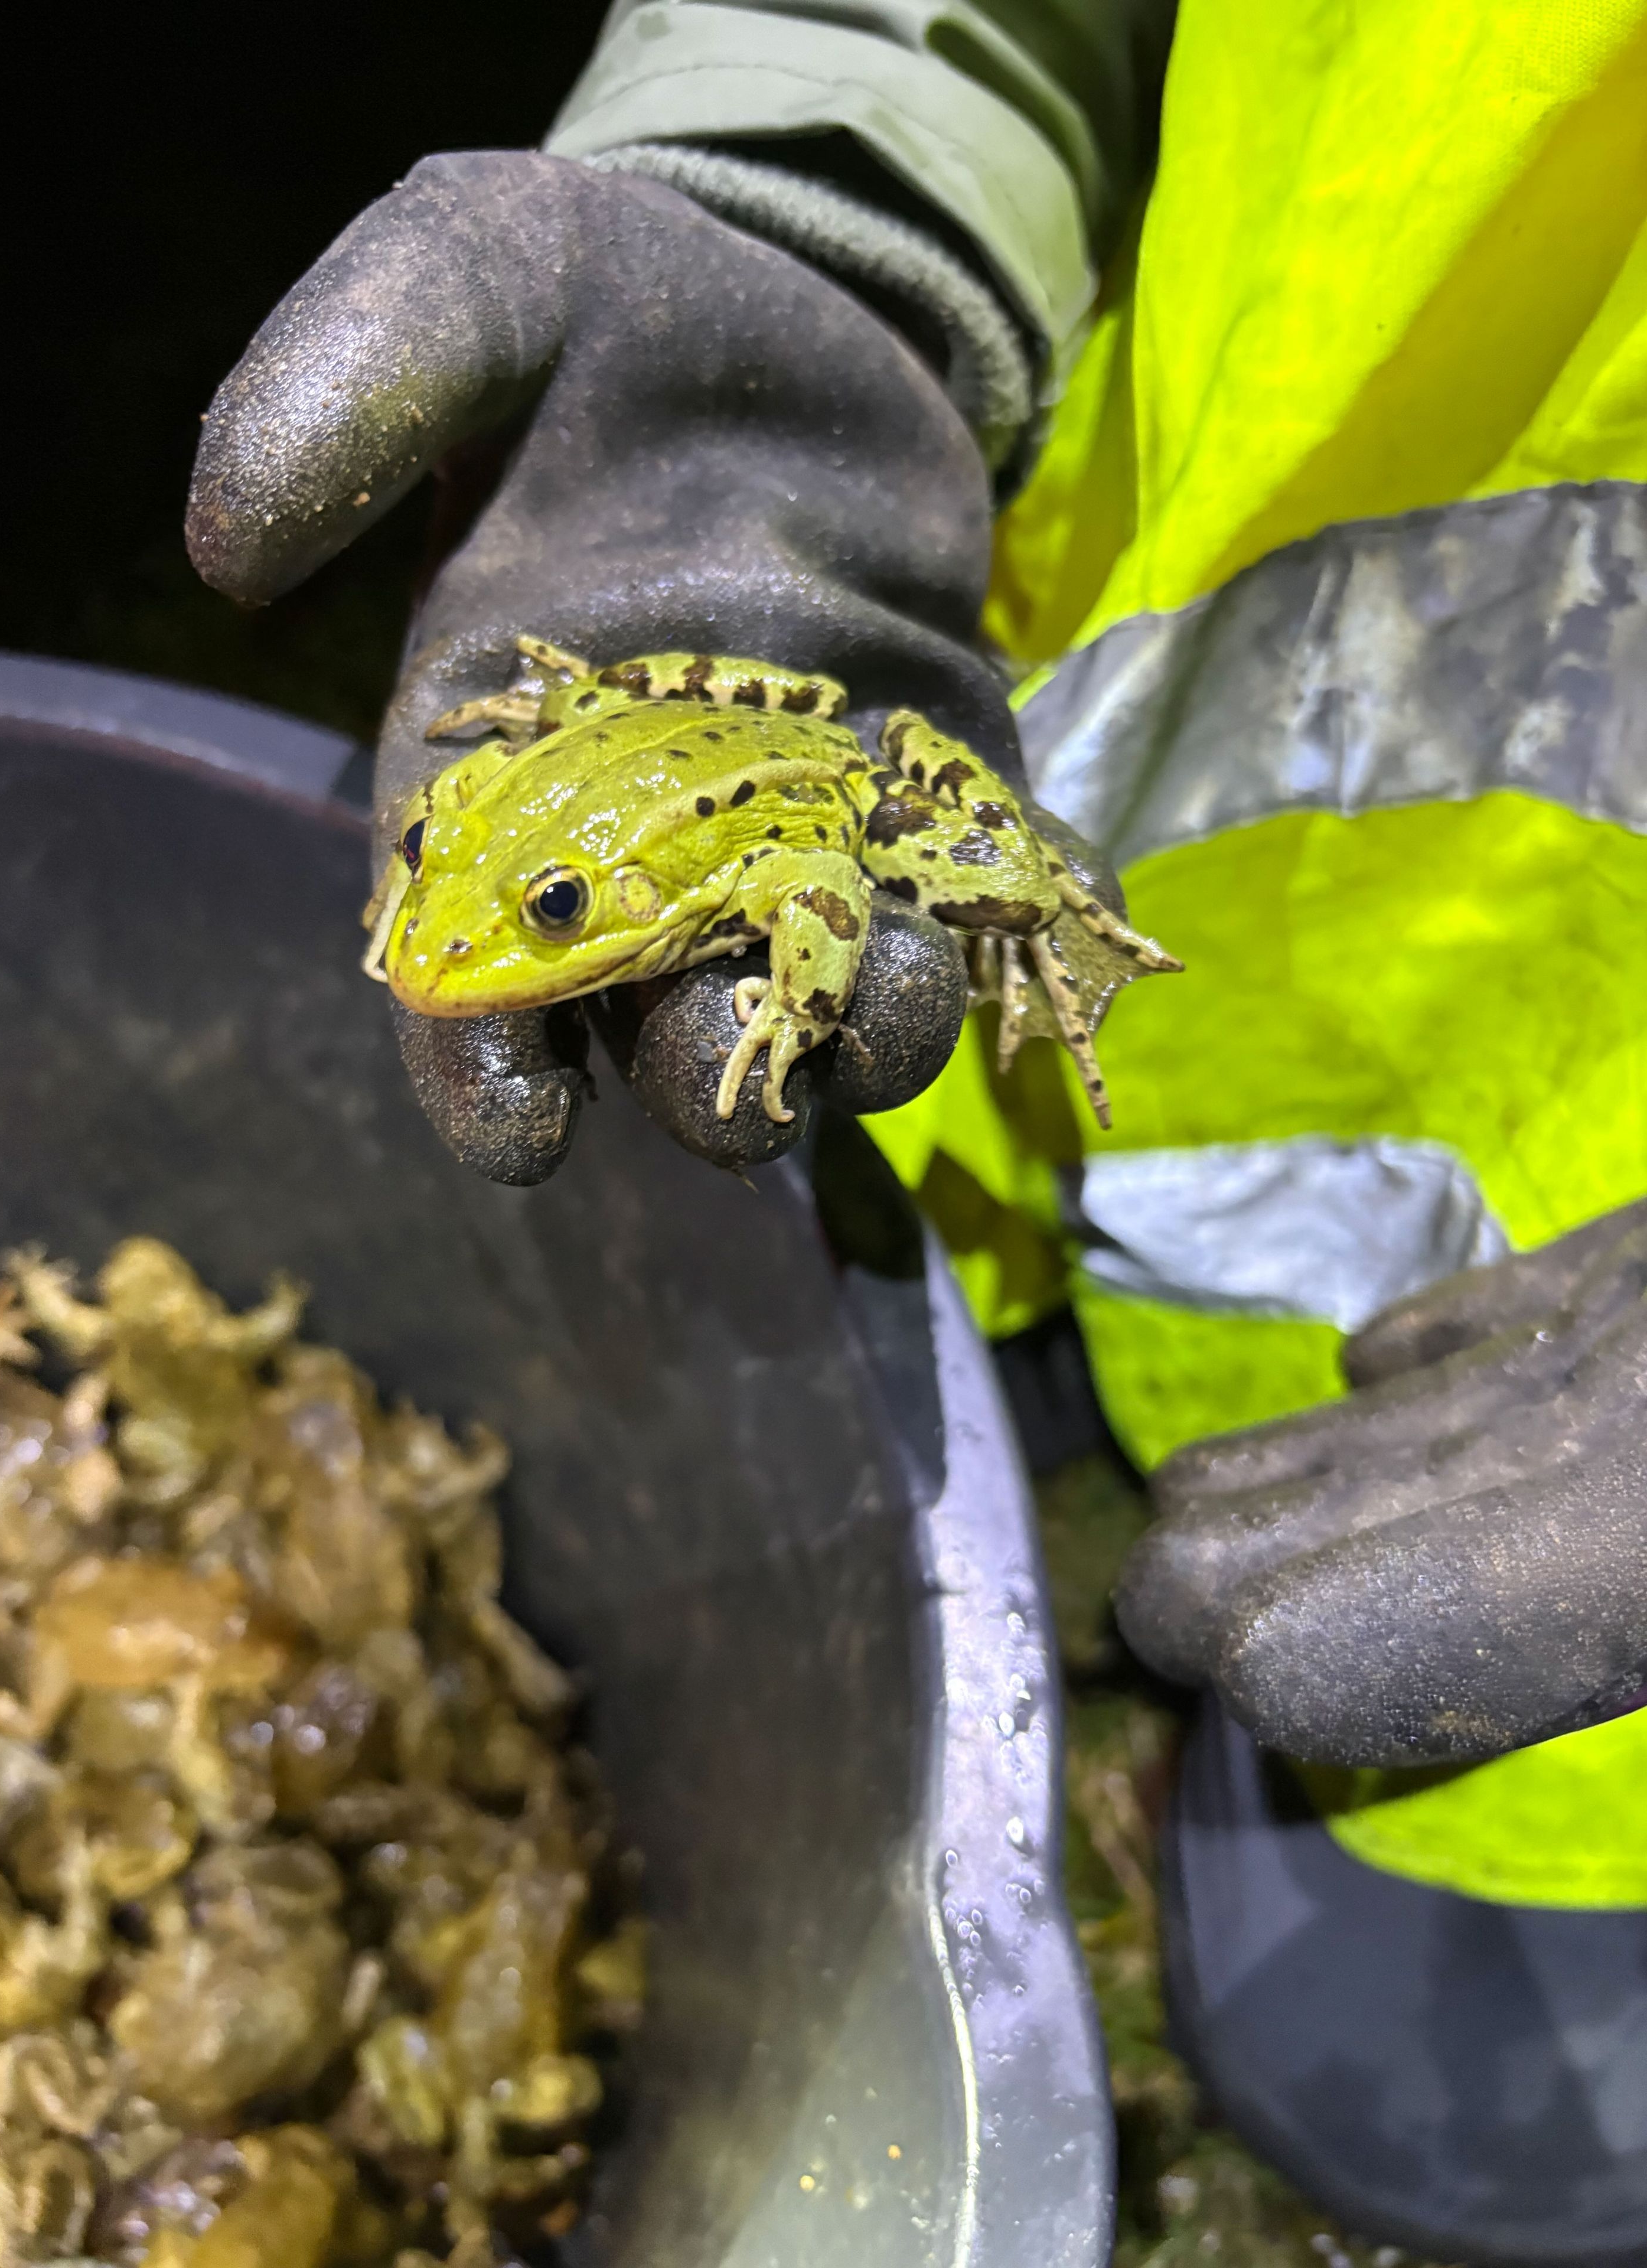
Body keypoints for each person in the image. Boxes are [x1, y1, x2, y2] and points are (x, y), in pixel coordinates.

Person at [188, 5, 1647, 2258]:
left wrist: (770, 980)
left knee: (1466, 1925)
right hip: (1145, 689)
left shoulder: (750, 867)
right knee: (1025, 1163)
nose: (466, 947)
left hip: (1540, 1304)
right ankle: (1063, 1282)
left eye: (543, 921)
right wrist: (827, 182)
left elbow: (807, 880)